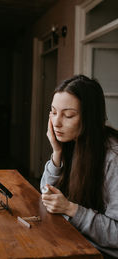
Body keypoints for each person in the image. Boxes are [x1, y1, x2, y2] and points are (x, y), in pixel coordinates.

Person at [40, 75, 118, 259]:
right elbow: (45, 194)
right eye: (53, 112)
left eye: (68, 115)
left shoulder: (113, 157)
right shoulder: (72, 141)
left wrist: (70, 209)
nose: (57, 122)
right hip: (77, 241)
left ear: (89, 118)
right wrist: (56, 154)